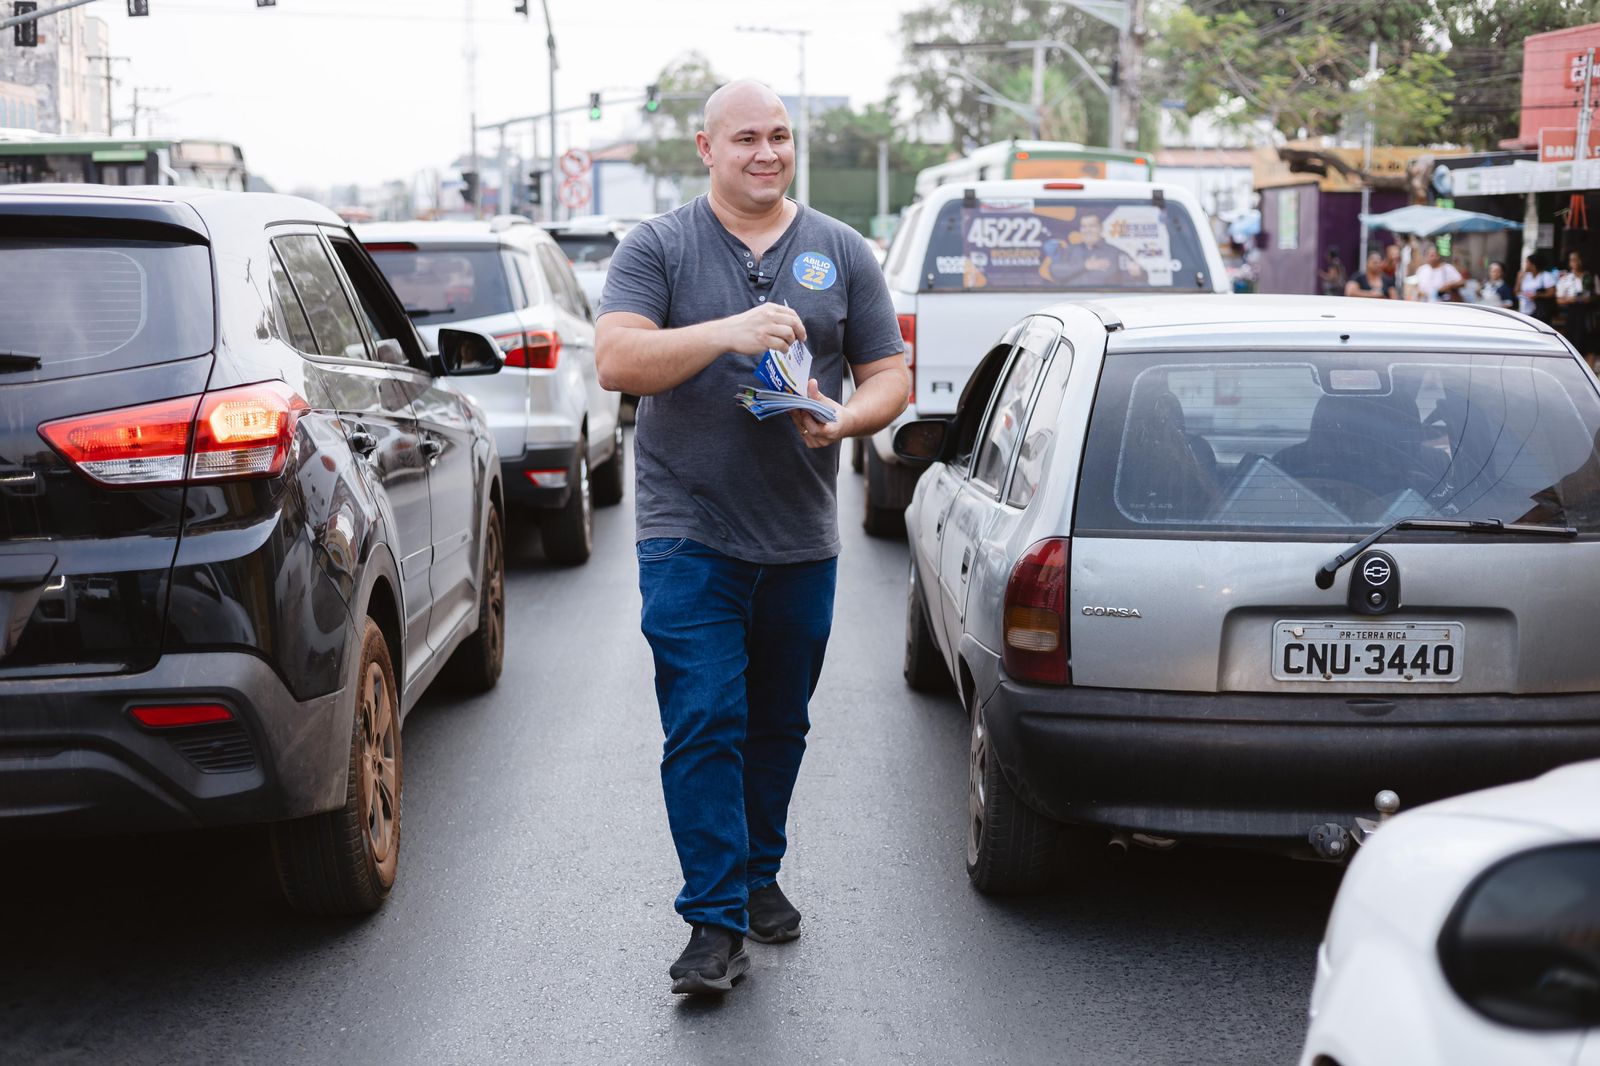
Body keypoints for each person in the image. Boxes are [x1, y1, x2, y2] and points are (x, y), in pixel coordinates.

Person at [593, 80, 910, 996]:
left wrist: (847, 421)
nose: (766, 153)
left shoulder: (842, 250)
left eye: (779, 137)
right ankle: (713, 922)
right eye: (746, 139)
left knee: (779, 722)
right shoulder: (658, 246)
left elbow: (889, 373)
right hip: (686, 530)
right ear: (706, 148)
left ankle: (756, 869)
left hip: (801, 535)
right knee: (703, 719)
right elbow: (618, 358)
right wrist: (728, 331)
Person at [1041, 212, 1143, 286]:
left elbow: (1134, 282)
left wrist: (1137, 274)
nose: (1087, 230)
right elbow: (1054, 270)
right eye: (1084, 227)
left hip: (1104, 306)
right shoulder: (1070, 250)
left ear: (1101, 228)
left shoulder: (1116, 253)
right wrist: (1085, 266)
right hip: (1070, 306)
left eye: (1092, 226)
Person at [1556, 249, 1595, 361]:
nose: (1575, 262)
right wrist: (1571, 300)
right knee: (1574, 343)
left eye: (1578, 259)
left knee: (1589, 345)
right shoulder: (1565, 279)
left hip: (1588, 314)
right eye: (1572, 260)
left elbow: (1597, 295)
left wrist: (1588, 299)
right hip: (1573, 314)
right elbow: (1559, 300)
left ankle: (1590, 374)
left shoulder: (1590, 277)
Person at [1517, 254, 1556, 320]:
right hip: (1524, 310)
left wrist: (1537, 295)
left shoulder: (1546, 276)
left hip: (1539, 312)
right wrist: (1519, 278)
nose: (1525, 265)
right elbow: (1516, 292)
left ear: (1533, 265)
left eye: (1527, 262)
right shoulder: (1525, 275)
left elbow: (1551, 293)